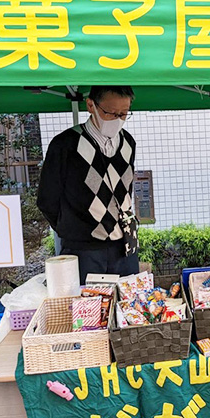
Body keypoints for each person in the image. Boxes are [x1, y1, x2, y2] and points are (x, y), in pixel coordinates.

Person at [37, 86, 139, 281]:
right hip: (82, 249)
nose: (117, 119)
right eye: (110, 113)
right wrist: (73, 229)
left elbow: (126, 189)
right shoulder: (65, 144)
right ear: (91, 105)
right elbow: (47, 199)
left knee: (128, 304)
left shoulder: (128, 143)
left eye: (124, 114)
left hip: (124, 245)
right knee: (88, 306)